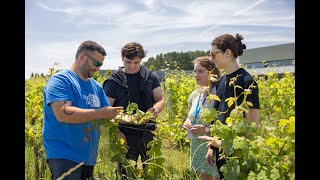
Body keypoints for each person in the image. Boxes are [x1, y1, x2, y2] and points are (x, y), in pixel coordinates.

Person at [42, 40, 123, 180]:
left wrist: (134, 120)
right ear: (82, 57)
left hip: (88, 156)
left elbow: (107, 112)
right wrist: (101, 113)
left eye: (101, 65)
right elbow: (62, 113)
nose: (98, 69)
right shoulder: (61, 80)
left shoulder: (96, 87)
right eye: (96, 64)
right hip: (64, 154)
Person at [102, 42, 165, 178]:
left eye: (136, 62)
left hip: (148, 131)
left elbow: (160, 99)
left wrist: (156, 108)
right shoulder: (114, 81)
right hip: (125, 134)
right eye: (128, 62)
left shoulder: (150, 76)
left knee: (152, 172)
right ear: (122, 59)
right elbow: (106, 110)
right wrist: (117, 132)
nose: (132, 66)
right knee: (126, 174)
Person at [204, 33, 260, 179]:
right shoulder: (222, 80)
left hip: (237, 154)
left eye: (213, 54)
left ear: (227, 53)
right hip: (220, 150)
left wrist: (227, 144)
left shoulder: (247, 82)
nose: (211, 58)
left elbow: (252, 127)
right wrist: (212, 146)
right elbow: (217, 117)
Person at [182, 56, 221, 180]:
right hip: (196, 146)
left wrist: (206, 130)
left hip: (212, 146)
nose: (195, 74)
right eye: (194, 71)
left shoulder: (219, 94)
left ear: (212, 73)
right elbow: (189, 116)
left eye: (200, 71)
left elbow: (224, 124)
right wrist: (187, 122)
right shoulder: (194, 94)